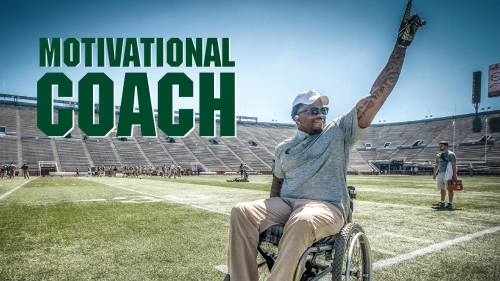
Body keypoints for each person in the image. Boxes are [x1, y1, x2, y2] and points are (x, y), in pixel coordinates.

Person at [224, 1, 425, 280]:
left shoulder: (338, 131)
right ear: (296, 117)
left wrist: (401, 46)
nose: (321, 114)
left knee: (302, 220)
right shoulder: (284, 148)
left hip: (326, 207)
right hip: (288, 204)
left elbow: (375, 96)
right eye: (313, 110)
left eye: (323, 110)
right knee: (241, 211)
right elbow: (277, 184)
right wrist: (272, 211)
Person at [432, 140, 457, 209]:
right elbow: (436, 165)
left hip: (448, 174)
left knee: (450, 188)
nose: (440, 147)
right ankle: (442, 202)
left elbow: (454, 165)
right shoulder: (438, 155)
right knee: (442, 188)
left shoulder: (451, 154)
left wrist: (455, 175)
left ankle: (450, 203)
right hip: (440, 173)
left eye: (441, 145)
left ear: (446, 146)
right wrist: (435, 173)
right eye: (440, 145)